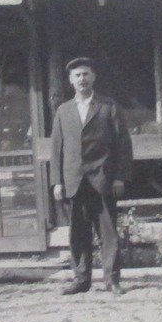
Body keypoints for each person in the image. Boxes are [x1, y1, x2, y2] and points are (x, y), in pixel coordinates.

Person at [50, 57, 134, 295]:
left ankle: (112, 280)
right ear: (70, 81)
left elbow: (123, 144)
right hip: (74, 180)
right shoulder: (63, 111)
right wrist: (57, 181)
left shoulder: (108, 106)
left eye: (86, 74)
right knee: (77, 233)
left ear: (93, 77)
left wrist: (119, 177)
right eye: (77, 75)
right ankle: (81, 279)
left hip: (103, 178)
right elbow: (56, 149)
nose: (82, 79)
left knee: (108, 233)